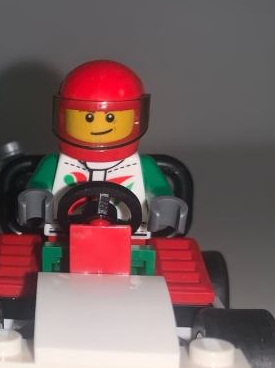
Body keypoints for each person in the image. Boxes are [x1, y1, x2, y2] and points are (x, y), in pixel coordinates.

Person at [18, 59, 187, 236]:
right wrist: (36, 196)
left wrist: (163, 202)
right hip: (62, 235)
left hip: (132, 237)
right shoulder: (54, 163)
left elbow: (159, 190)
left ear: (135, 118)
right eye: (88, 118)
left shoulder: (143, 165)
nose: (98, 127)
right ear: (64, 116)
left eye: (110, 118)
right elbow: (38, 185)